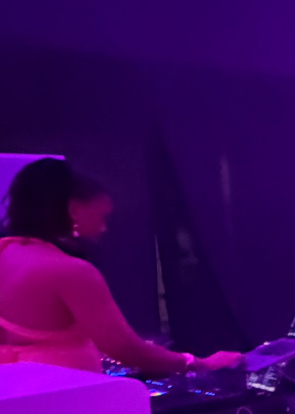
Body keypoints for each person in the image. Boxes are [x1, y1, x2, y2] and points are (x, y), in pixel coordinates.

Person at [1, 158, 239, 374]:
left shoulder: (6, 252)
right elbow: (124, 348)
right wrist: (200, 363)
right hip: (66, 393)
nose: (103, 228)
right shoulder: (70, 270)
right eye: (102, 217)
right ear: (74, 210)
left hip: (17, 389)